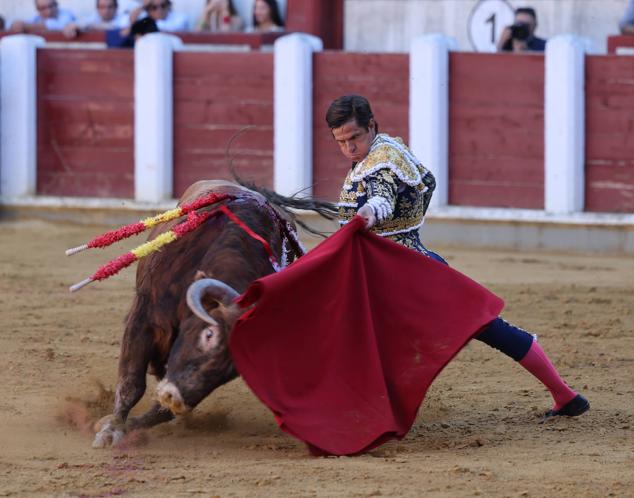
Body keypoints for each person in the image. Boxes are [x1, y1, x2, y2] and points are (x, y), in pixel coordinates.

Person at [327, 94, 590, 421]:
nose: (350, 148)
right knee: (487, 327)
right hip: (406, 266)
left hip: (400, 277)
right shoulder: (384, 149)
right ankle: (564, 394)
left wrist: (367, 215)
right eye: (341, 142)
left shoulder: (382, 160)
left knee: (357, 335)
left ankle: (357, 412)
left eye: (355, 137)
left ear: (371, 125)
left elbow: (383, 199)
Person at [62, 0, 130, 39]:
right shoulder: (93, 18)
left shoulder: (124, 18)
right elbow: (78, 24)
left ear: (116, 7)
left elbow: (120, 29)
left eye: (110, 7)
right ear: (97, 9)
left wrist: (93, 27)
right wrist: (69, 26)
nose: (106, 11)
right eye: (102, 7)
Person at [9, 0, 76, 34]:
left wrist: (26, 27)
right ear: (38, 10)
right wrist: (16, 24)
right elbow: (16, 25)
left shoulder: (66, 14)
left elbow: (60, 25)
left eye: (51, 6)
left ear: (56, 4)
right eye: (43, 8)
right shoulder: (36, 18)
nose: (49, 11)